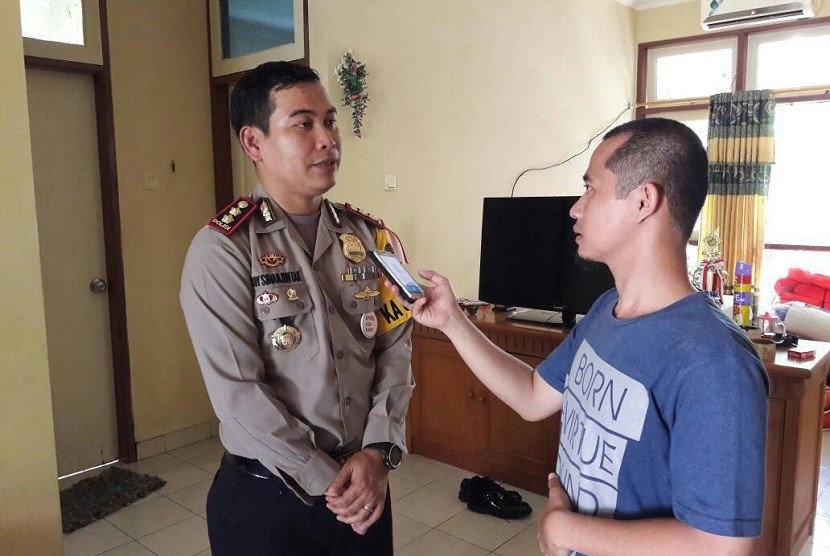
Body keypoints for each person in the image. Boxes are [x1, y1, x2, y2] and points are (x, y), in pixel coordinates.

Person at [393, 118, 768, 556]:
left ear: (644, 201)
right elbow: (533, 396)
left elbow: (722, 546)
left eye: (591, 188)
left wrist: (565, 532)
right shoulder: (606, 309)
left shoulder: (715, 363)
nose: (576, 207)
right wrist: (453, 320)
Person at [180, 61, 414, 556]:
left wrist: (377, 451)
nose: (327, 139)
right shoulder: (222, 249)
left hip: (365, 487)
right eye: (303, 124)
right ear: (253, 143)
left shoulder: (371, 239)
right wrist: (331, 481)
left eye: (329, 121)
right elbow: (238, 394)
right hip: (271, 499)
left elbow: (395, 351)